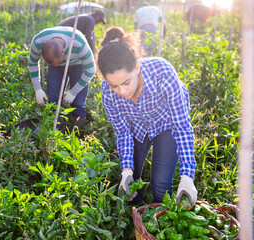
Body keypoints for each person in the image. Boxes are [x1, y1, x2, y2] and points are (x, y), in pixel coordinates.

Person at [97, 27, 198, 206]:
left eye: (126, 82)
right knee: (132, 183)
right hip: (138, 124)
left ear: (136, 67)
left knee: (160, 185)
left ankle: (161, 221)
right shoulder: (107, 92)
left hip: (166, 122)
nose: (122, 91)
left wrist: (187, 176)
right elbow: (123, 133)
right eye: (114, 85)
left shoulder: (163, 73)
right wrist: (126, 172)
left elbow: (181, 128)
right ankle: (138, 223)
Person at [28, 26, 96, 131]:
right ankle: (55, 133)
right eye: (50, 63)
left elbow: (91, 70)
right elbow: (32, 63)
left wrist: (73, 92)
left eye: (57, 62)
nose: (54, 65)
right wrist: (38, 89)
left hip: (78, 64)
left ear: (63, 52)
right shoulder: (38, 41)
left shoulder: (79, 44)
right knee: (53, 101)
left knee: (78, 102)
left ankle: (77, 136)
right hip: (57, 66)